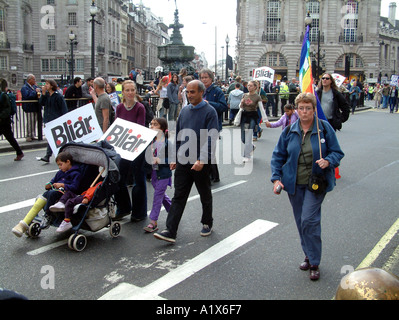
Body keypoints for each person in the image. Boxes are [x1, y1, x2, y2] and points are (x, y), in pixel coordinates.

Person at [270, 92, 345, 281]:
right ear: (297, 110)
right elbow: (278, 156)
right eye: (301, 108)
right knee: (300, 221)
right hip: (294, 184)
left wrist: (328, 161)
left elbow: (337, 152)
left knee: (309, 220)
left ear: (313, 110)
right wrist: (276, 178)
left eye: (308, 108)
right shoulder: (289, 131)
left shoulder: (324, 129)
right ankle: (308, 254)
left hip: (316, 183)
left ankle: (314, 262)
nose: (304, 112)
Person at [154, 80, 219, 243]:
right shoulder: (184, 111)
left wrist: (202, 159)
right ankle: (170, 230)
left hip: (200, 162)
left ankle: (207, 222)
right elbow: (179, 136)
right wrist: (174, 157)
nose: (189, 95)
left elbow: (211, 139)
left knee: (205, 193)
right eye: (187, 92)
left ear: (201, 93)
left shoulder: (210, 112)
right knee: (179, 195)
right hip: (183, 159)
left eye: (192, 92)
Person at [12, 152, 82, 237]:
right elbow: (53, 181)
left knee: (51, 193)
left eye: (61, 164)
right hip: (55, 191)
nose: (59, 167)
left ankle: (47, 215)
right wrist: (49, 184)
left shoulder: (76, 173)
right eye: (58, 165)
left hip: (66, 193)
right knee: (46, 194)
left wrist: (63, 185)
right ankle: (24, 223)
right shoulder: (60, 172)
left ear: (68, 162)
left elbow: (75, 187)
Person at [113, 80, 147, 222]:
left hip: (137, 147)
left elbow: (139, 128)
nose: (130, 92)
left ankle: (139, 213)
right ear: (123, 92)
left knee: (138, 181)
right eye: (127, 90)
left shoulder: (140, 107)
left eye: (133, 90)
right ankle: (124, 208)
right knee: (118, 179)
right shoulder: (119, 107)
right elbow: (117, 126)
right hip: (123, 148)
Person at [144, 118, 172, 233]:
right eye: (151, 124)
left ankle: (153, 222)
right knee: (161, 195)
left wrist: (159, 160)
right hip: (154, 173)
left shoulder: (167, 143)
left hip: (164, 174)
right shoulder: (150, 141)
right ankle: (173, 212)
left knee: (157, 196)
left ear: (162, 128)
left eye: (155, 125)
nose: (152, 126)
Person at [200, 68, 228, 182]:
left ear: (211, 78)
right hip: (201, 124)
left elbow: (223, 107)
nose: (204, 80)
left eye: (206, 77)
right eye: (202, 77)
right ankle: (214, 175)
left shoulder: (217, 91)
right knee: (206, 150)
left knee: (209, 150)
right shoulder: (199, 90)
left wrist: (208, 103)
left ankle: (210, 176)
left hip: (213, 125)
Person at [37, 79, 68, 163]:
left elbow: (63, 108)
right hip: (48, 119)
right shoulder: (46, 95)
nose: (45, 85)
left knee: (57, 138)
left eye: (47, 84)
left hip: (56, 119)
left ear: (52, 85)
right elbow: (41, 103)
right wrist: (42, 94)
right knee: (52, 138)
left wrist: (63, 119)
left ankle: (53, 155)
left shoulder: (58, 96)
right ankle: (50, 155)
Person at [239, 80, 267, 162]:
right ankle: (251, 147)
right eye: (248, 85)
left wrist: (265, 120)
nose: (249, 87)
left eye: (251, 85)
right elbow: (241, 107)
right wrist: (241, 103)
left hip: (253, 116)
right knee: (243, 138)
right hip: (244, 116)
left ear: (255, 87)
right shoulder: (244, 95)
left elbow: (261, 109)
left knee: (248, 136)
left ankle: (246, 155)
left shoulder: (257, 97)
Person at [0, 86, 24, 161]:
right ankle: (19, 152)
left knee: (10, 138)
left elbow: (8, 108)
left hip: (4, 121)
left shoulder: (3, 96)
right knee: (10, 137)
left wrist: (1, 116)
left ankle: (19, 152)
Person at [20, 74, 41, 142]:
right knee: (30, 122)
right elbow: (27, 96)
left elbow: (39, 91)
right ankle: (28, 135)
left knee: (34, 121)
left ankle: (32, 134)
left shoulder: (34, 86)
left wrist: (38, 90)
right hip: (29, 107)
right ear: (30, 80)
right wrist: (35, 91)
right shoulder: (24, 87)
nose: (35, 81)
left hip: (35, 107)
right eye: (33, 79)